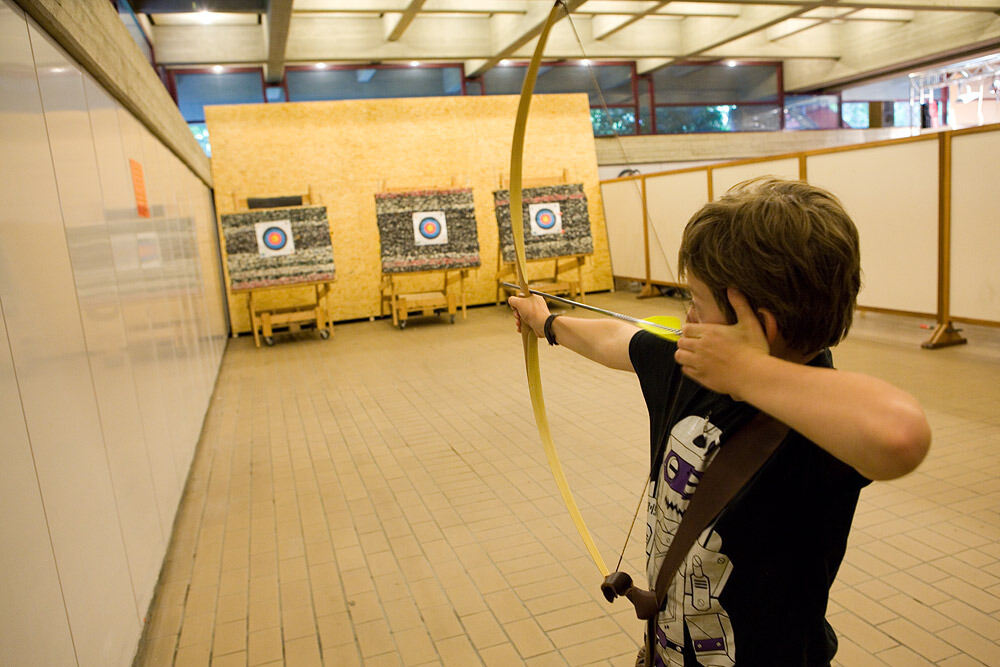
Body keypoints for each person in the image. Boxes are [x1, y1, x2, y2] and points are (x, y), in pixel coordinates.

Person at [508, 178, 931, 666]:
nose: (685, 316)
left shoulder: (818, 426)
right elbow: (617, 338)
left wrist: (752, 374)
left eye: (696, 302)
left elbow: (902, 433)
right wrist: (547, 323)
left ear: (758, 322)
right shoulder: (694, 367)